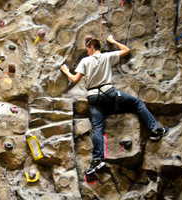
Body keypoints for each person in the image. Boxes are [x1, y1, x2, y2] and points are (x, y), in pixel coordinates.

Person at [60, 35, 169, 175]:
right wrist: (113, 41)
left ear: (92, 47)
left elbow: (75, 79)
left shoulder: (85, 61)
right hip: (109, 94)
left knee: (97, 127)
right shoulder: (107, 56)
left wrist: (66, 71)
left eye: (87, 49)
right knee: (137, 103)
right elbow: (126, 50)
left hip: (93, 98)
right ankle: (155, 130)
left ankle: (97, 160)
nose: (87, 52)